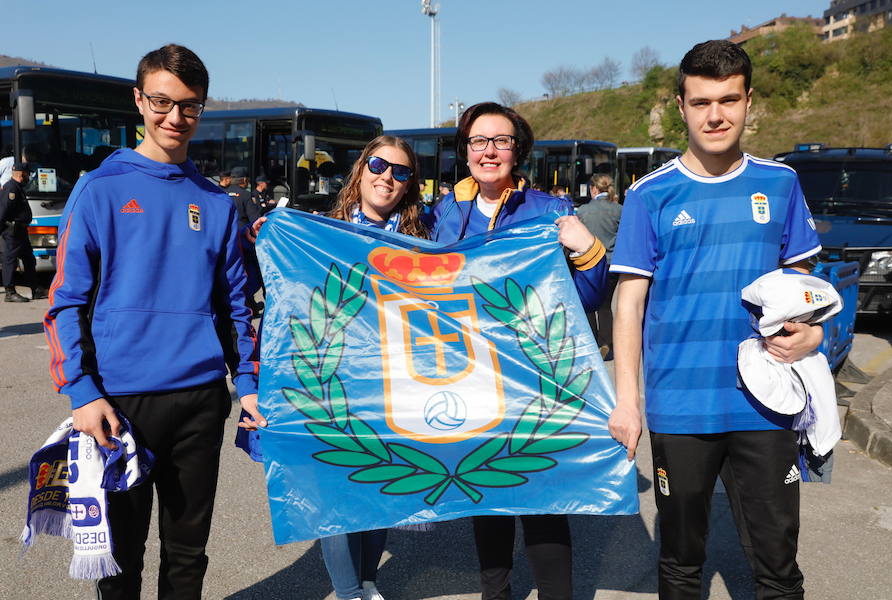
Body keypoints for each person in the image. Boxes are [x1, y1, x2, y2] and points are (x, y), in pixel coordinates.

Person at [43, 44, 265, 599]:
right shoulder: (100, 189)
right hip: (119, 405)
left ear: (202, 108)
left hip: (199, 400)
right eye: (162, 102)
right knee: (119, 558)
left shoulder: (216, 202)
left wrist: (250, 385)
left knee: (188, 556)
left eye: (189, 106)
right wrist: (83, 393)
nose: (174, 118)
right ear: (138, 100)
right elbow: (63, 303)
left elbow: (238, 306)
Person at [608, 40, 822, 600]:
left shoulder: (781, 183)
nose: (716, 115)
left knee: (778, 563)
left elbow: (806, 292)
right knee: (681, 561)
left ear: (749, 101)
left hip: (769, 403)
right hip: (680, 406)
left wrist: (816, 333)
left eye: (729, 100)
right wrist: (627, 401)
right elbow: (628, 301)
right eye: (701, 102)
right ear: (680, 106)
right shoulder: (649, 196)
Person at [430, 102, 607, 600]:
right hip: (472, 378)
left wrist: (586, 245)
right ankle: (496, 595)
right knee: (487, 496)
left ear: (517, 149)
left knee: (542, 497)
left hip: (537, 379)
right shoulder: (447, 212)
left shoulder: (549, 209)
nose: (489, 151)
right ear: (465, 151)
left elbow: (589, 296)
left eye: (500, 141)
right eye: (478, 141)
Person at [244, 135, 427, 600]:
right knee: (336, 490)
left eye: (400, 172)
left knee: (384, 487)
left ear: (409, 185)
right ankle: (347, 593)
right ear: (361, 169)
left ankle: (368, 582)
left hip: (391, 385)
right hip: (329, 384)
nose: (388, 177)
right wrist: (264, 236)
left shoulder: (419, 243)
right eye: (380, 165)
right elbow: (275, 295)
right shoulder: (314, 232)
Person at [576, 174, 621, 359]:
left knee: (587, 304)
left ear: (593, 189)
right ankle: (607, 343)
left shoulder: (583, 210)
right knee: (605, 305)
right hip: (612, 263)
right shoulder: (619, 210)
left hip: (589, 262)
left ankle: (593, 342)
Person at [1, 162, 47, 302]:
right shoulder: (12, 189)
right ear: (22, 174)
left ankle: (35, 289)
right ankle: (9, 292)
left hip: (21, 231)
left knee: (28, 259)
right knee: (10, 260)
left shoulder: (18, 187)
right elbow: (3, 212)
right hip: (13, 231)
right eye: (28, 174)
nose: (29, 177)